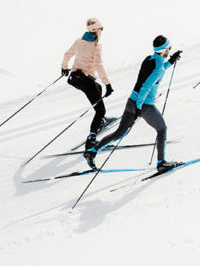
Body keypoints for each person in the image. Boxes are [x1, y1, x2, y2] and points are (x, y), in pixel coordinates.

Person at [83, 35, 182, 172]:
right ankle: (161, 162)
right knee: (162, 129)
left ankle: (92, 151)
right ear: (164, 49)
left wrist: (170, 61)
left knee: (119, 133)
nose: (170, 50)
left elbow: (156, 71)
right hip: (144, 104)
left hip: (131, 101)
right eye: (169, 48)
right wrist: (139, 108)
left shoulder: (149, 59)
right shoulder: (158, 67)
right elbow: (146, 87)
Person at [61, 18, 115, 147]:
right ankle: (91, 140)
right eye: (101, 29)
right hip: (85, 80)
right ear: (96, 30)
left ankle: (100, 122)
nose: (102, 31)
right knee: (100, 110)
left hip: (74, 78)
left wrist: (64, 67)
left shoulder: (79, 41)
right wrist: (108, 84)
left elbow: (67, 54)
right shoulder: (96, 46)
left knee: (97, 88)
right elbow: (98, 65)